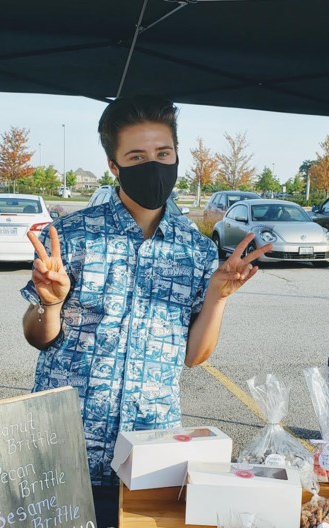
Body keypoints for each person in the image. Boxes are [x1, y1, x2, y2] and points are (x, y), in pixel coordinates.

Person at [21, 95, 271, 485]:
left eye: (163, 152)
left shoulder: (197, 250)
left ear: (176, 156)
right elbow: (37, 337)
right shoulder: (70, 236)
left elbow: (194, 356)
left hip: (150, 449)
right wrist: (49, 305)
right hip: (64, 444)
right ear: (113, 165)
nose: (153, 165)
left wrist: (216, 298)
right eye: (137, 157)